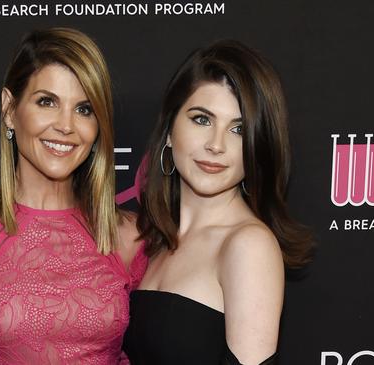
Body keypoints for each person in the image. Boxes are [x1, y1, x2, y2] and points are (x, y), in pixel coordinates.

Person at [0, 27, 146, 364]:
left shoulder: (129, 236)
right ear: (10, 108)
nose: (66, 126)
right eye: (47, 102)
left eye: (84, 109)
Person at [122, 40, 313, 364]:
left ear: (257, 146)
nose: (216, 145)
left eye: (238, 129)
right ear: (169, 129)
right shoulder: (155, 239)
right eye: (201, 119)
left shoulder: (247, 245)